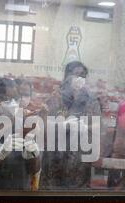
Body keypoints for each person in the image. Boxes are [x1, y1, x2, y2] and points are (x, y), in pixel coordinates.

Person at [40, 61, 101, 190]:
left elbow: (97, 126)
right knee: (51, 195)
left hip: (78, 157)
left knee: (75, 198)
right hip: (55, 154)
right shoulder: (56, 96)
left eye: (83, 75)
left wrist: (85, 128)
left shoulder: (91, 100)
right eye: (76, 74)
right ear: (67, 76)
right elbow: (44, 124)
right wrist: (60, 125)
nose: (80, 78)